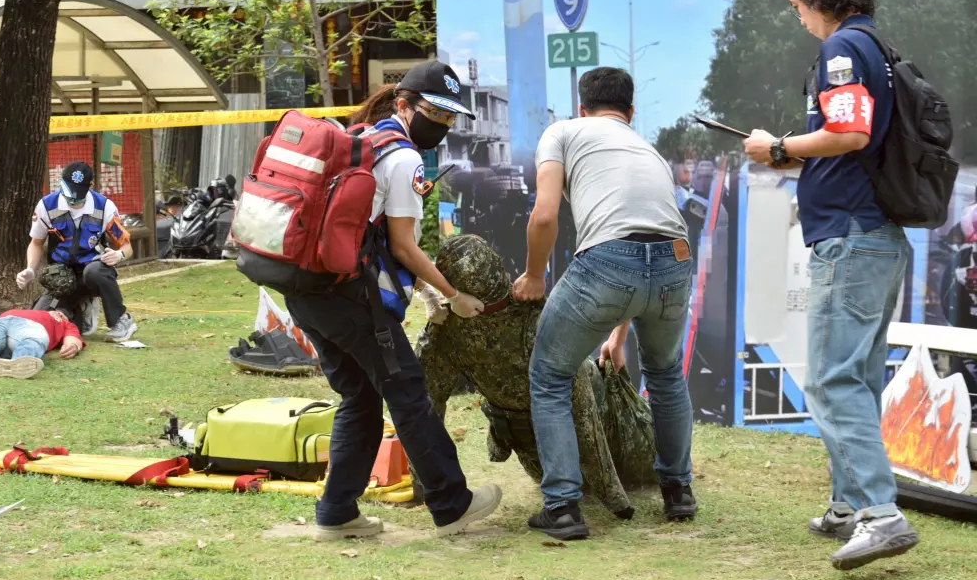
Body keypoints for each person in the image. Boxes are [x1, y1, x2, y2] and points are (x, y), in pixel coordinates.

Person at [743, 0, 919, 571]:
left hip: (848, 238)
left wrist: (778, 145)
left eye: (796, 7)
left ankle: (881, 515)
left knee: (832, 379)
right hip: (878, 236)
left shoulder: (841, 50)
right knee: (858, 378)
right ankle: (849, 507)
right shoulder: (881, 50)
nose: (799, 19)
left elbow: (849, 134)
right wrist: (789, 156)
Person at [282, 60, 502, 541]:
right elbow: (403, 244)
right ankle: (452, 504)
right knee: (406, 392)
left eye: (449, 118)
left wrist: (421, 290)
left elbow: (372, 235)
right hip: (349, 299)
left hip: (306, 290)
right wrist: (451, 294)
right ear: (403, 105)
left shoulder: (363, 136)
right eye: (434, 114)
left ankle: (337, 513)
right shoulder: (402, 158)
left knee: (360, 396)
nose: (442, 126)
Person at [512, 67, 695, 540]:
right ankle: (678, 491)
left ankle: (563, 507)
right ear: (630, 113)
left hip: (609, 260)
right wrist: (618, 336)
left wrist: (534, 275)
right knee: (667, 374)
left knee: (549, 375)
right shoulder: (647, 149)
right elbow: (648, 249)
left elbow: (546, 214)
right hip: (675, 258)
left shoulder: (563, 132)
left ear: (581, 107)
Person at [415, 234, 657, 521]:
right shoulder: (531, 313)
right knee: (643, 450)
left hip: (544, 448)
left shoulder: (446, 332)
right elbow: (580, 406)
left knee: (638, 453)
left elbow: (422, 405)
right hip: (559, 438)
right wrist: (613, 494)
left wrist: (425, 482)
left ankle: (574, 499)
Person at [17, 161, 137, 343]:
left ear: (91, 186)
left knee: (95, 271)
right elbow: (36, 243)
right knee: (41, 320)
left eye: (78, 195)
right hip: (63, 278)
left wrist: (118, 255)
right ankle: (81, 309)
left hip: (92, 271)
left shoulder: (105, 207)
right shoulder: (46, 206)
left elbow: (127, 247)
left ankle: (121, 320)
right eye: (69, 194)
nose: (73, 200)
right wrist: (30, 269)